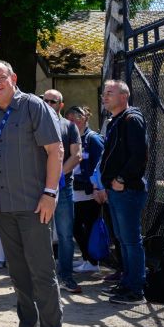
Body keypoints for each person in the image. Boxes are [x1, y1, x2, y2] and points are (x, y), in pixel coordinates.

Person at [0, 61, 65, 327]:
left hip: (34, 206)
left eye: (0, 77)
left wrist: (50, 193)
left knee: (42, 272)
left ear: (13, 78)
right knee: (17, 272)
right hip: (4, 207)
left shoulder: (33, 106)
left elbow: (56, 150)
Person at [98, 79, 149, 306]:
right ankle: (127, 281)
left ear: (124, 96)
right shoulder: (115, 121)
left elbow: (139, 155)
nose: (105, 96)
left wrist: (121, 179)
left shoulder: (131, 119)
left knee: (130, 240)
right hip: (115, 190)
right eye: (104, 93)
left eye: (110, 92)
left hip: (127, 190)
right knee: (122, 238)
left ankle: (135, 289)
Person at [43, 90, 82, 293]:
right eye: (45, 100)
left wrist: (56, 176)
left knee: (66, 235)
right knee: (41, 235)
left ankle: (65, 276)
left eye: (53, 101)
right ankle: (44, 277)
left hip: (63, 188)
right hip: (40, 190)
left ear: (61, 104)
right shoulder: (36, 124)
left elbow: (76, 155)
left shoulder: (69, 127)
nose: (48, 103)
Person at [65, 105, 105, 274]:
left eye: (77, 119)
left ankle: (92, 260)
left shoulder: (93, 139)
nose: (73, 122)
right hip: (76, 190)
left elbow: (101, 165)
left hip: (89, 192)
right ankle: (86, 257)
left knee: (81, 226)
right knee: (77, 226)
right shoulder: (73, 138)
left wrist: (97, 186)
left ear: (85, 119)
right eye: (70, 119)